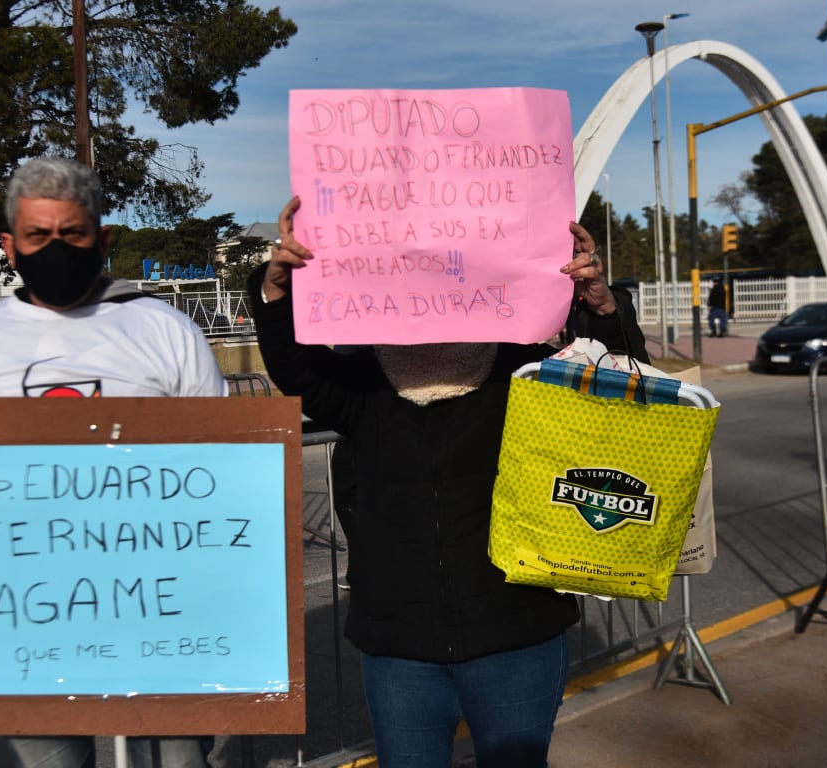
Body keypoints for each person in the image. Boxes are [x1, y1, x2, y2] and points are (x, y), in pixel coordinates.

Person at [250, 196, 644, 768]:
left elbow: (617, 389)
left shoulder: (526, 369)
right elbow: (294, 368)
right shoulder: (362, 386)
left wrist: (599, 304)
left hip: (519, 633)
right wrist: (280, 290)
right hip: (400, 647)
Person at [0, 156, 221, 768]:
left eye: (71, 234)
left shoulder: (165, 330)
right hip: (28, 621)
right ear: (10, 245)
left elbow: (220, 470)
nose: (55, 248)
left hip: (160, 612)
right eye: (37, 236)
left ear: (101, 239)